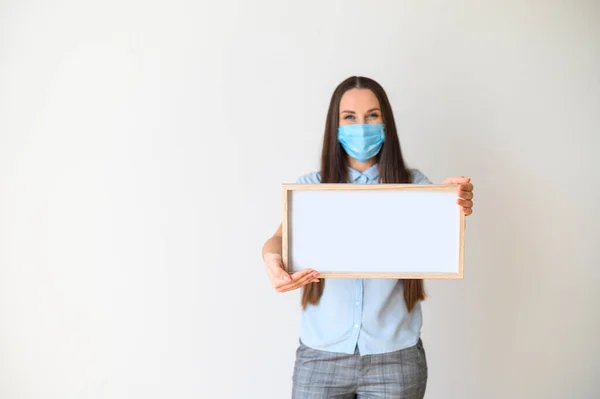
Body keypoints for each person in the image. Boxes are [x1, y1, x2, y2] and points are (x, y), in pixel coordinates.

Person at [261, 76, 474, 398]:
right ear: (335, 125)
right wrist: (271, 259)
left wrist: (450, 202)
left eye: (372, 115)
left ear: (386, 122)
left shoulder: (415, 186)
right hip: (321, 354)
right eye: (349, 117)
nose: (361, 126)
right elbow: (278, 239)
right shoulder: (312, 188)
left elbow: (440, 239)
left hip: (395, 356)